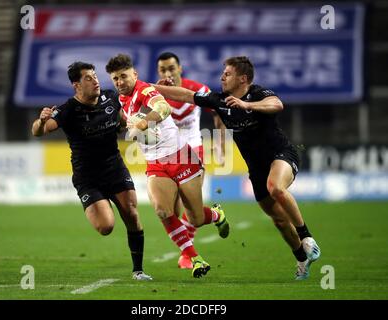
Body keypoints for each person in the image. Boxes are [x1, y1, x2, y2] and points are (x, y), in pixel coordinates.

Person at [154, 56, 321, 280]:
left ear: (243, 79)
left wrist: (247, 105)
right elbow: (186, 95)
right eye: (223, 72)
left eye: (228, 73)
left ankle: (307, 236)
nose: (222, 76)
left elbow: (277, 105)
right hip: (256, 168)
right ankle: (301, 257)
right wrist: (147, 87)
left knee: (276, 187)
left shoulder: (259, 94)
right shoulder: (220, 100)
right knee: (279, 220)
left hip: (281, 154)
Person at [105, 54, 230, 278]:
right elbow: (122, 119)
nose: (119, 82)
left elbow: (162, 108)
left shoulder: (145, 91)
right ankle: (195, 259)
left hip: (182, 157)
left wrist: (144, 122)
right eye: (115, 79)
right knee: (163, 210)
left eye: (123, 76)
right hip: (156, 164)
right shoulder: (121, 99)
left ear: (135, 74)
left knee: (195, 219)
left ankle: (215, 215)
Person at [31, 61, 152, 281]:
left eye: (95, 76)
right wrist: (41, 121)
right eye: (88, 78)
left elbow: (124, 120)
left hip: (114, 167)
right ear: (76, 85)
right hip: (87, 177)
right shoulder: (67, 110)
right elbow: (39, 132)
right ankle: (98, 204)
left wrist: (136, 126)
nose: (95, 80)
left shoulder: (110, 98)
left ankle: (138, 270)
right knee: (106, 227)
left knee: (132, 215)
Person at [156, 52, 227, 269]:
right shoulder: (155, 94)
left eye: (171, 68)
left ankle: (187, 255)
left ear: (180, 68)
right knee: (172, 212)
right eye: (163, 70)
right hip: (167, 154)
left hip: (193, 150)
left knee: (191, 210)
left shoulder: (197, 89)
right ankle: (215, 215)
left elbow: (219, 111)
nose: (168, 73)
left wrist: (220, 144)